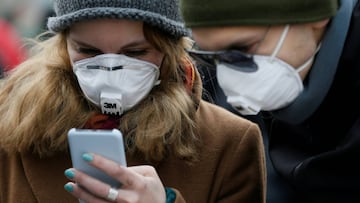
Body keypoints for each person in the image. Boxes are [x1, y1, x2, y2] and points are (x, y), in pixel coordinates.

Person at [0, 0, 266, 202]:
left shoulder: (230, 143)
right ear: (64, 45)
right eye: (88, 51)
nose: (110, 71)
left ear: (169, 49)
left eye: (135, 52)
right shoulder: (11, 121)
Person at [180, 0, 360, 202]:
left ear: (315, 15)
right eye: (212, 59)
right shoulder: (294, 78)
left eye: (241, 50)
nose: (229, 77)